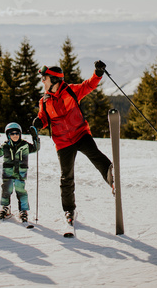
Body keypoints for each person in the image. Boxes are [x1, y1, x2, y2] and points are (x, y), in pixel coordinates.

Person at [33, 61, 113, 224]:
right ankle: (69, 210)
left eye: (44, 78)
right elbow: (44, 118)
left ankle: (112, 180)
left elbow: (88, 85)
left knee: (95, 155)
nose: (42, 81)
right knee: (66, 177)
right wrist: (39, 123)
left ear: (54, 80)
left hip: (80, 133)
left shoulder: (70, 91)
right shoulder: (44, 101)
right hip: (62, 142)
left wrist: (98, 73)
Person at [0, 122, 40, 223]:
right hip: (8, 172)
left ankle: (23, 210)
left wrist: (35, 138)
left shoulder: (25, 145)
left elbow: (36, 148)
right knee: (6, 190)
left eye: (17, 133)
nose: (15, 136)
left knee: (21, 191)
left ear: (20, 134)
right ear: (8, 135)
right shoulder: (5, 146)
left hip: (20, 172)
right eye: (12, 134)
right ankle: (6, 207)